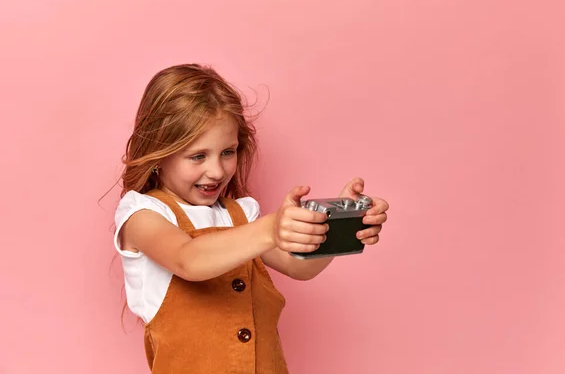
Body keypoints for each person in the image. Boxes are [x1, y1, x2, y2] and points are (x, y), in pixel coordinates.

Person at [113, 63, 390, 373]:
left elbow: (298, 266)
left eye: (227, 152)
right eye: (198, 156)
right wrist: (271, 229)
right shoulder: (142, 215)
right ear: (159, 153)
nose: (217, 171)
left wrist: (340, 228)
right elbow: (187, 259)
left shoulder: (240, 215)